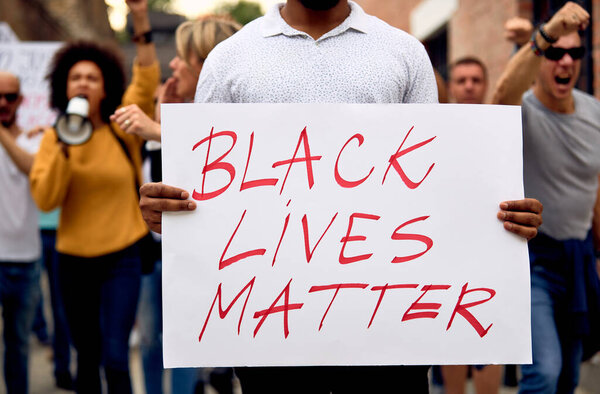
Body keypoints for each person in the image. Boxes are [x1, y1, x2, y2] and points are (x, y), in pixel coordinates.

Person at [139, 1, 543, 392]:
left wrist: (499, 218)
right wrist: (171, 211)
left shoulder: (404, 53)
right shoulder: (229, 59)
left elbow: (433, 183)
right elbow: (209, 190)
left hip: (388, 338)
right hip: (270, 340)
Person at [28, 0, 160, 392]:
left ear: (106, 88)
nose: (83, 83)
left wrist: (139, 16)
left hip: (122, 255)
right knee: (86, 356)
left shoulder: (123, 128)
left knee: (116, 357)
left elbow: (148, 77)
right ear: (63, 88)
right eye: (75, 78)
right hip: (73, 261)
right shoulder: (54, 139)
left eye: (92, 77)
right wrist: (67, 144)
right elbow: (46, 199)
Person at [111, 15, 241, 394]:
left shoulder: (232, 121)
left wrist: (157, 130)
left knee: (187, 343)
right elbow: (158, 185)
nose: (174, 63)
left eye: (184, 56)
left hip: (203, 261)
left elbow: (220, 174)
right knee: (152, 340)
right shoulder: (180, 114)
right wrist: (162, 127)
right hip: (157, 257)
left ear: (209, 63)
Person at [492, 2, 600, 393]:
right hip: (535, 260)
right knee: (545, 373)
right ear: (542, 57)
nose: (565, 61)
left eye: (575, 53)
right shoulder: (523, 111)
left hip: (579, 258)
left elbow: (593, 190)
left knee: (570, 376)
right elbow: (502, 92)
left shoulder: (594, 114)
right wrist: (549, 30)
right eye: (555, 52)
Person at [442, 56, 504, 394]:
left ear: (486, 84)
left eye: (475, 80)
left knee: (488, 335)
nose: (468, 86)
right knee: (450, 335)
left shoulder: (502, 125)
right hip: (444, 247)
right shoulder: (435, 126)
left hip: (491, 249)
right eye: (462, 80)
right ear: (451, 86)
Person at [0, 70, 42, 394]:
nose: (3, 103)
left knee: (19, 345)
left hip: (27, 259)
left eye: (10, 96)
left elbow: (30, 168)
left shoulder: (35, 139)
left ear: (21, 100)